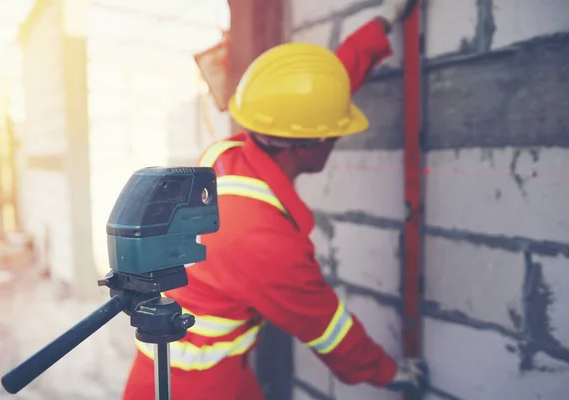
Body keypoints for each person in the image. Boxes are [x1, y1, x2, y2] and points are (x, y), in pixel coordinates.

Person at [122, 0, 428, 398]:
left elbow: (316, 93)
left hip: (199, 365)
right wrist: (392, 374)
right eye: (334, 133)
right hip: (193, 386)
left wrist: (382, 21)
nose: (337, 138)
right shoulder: (265, 241)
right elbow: (330, 330)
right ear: (309, 146)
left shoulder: (231, 153)